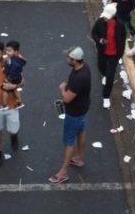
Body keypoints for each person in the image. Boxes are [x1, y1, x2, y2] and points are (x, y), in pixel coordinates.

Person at [48, 47, 91, 184]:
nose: (67, 59)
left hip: (74, 113)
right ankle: (79, 158)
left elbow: (67, 98)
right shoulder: (85, 68)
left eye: (69, 58)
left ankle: (63, 172)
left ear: (74, 60)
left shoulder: (79, 77)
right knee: (81, 131)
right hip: (83, 109)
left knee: (69, 141)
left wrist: (62, 89)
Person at [91, 3, 126, 109]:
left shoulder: (120, 25)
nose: (105, 18)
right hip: (103, 52)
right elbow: (94, 33)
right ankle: (104, 75)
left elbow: (123, 38)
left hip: (114, 55)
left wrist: (120, 52)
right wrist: (99, 40)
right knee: (101, 67)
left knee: (110, 77)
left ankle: (106, 96)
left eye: (107, 17)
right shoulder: (100, 22)